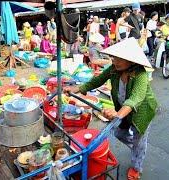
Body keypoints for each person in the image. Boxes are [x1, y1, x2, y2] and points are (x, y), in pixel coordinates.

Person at [64, 38, 157, 180]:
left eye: (119, 59)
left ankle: (137, 167)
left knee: (139, 140)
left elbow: (135, 98)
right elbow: (97, 80)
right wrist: (77, 88)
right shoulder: (114, 70)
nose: (114, 61)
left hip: (142, 112)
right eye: (114, 58)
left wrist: (118, 114)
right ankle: (138, 148)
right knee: (119, 133)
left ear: (131, 60)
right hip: (123, 110)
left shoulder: (140, 75)